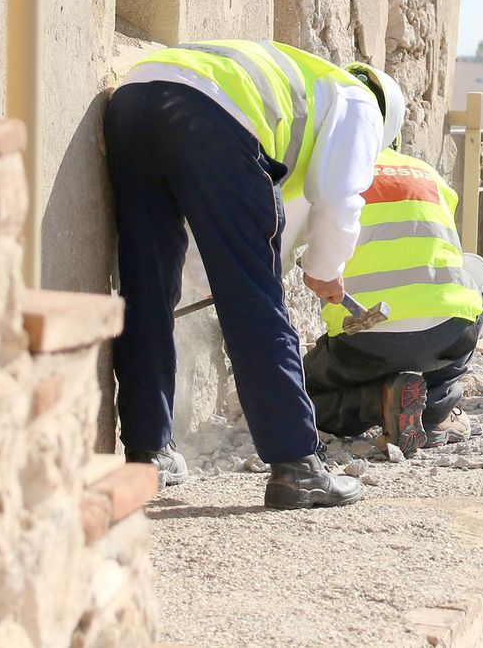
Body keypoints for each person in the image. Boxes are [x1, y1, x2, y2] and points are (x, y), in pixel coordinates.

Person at [106, 40, 381, 509]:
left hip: (134, 99)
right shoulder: (358, 101)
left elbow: (209, 244)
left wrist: (227, 277)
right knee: (255, 302)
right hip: (209, 113)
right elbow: (339, 200)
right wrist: (325, 270)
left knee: (145, 287)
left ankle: (147, 452)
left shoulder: (290, 83)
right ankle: (297, 465)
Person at [303, 64, 483, 453]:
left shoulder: (322, 176)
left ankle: (381, 399)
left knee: (298, 397)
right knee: (479, 269)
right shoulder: (428, 174)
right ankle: (436, 405)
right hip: (445, 332)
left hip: (362, 344)